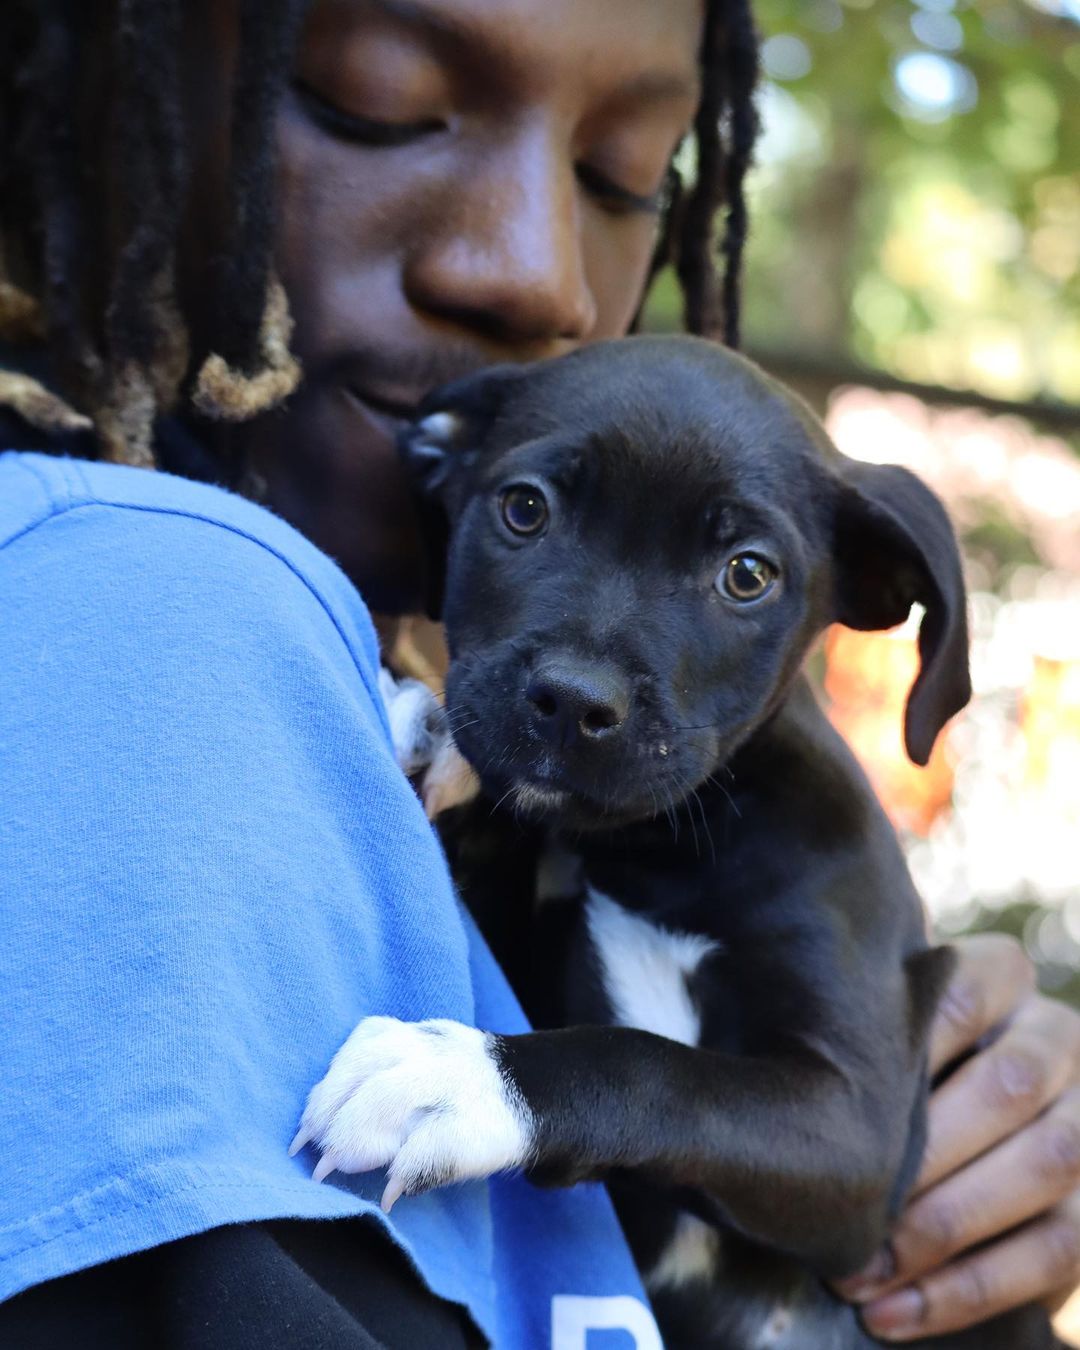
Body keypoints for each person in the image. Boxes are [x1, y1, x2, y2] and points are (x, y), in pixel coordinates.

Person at [1, 1, 1079, 1345]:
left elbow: (842, 1157)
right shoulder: (137, 609)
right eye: (379, 102)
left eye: (625, 174)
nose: (535, 279)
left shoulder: (620, 787)